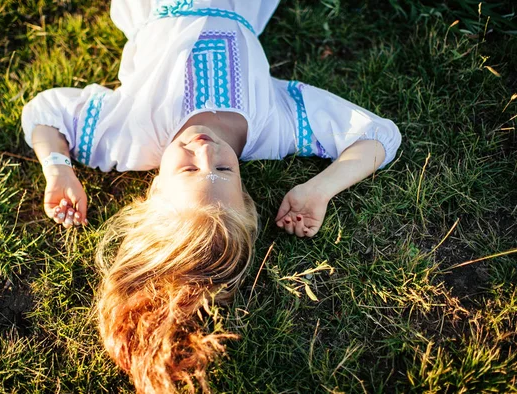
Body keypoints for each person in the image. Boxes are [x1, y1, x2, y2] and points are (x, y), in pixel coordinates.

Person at [22, 1, 402, 392]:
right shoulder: (274, 125)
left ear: (154, 190)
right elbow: (377, 136)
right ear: (245, 194)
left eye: (188, 170)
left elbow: (46, 112)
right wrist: (320, 188)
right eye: (225, 170)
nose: (206, 151)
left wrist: (58, 168)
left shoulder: (129, 136)